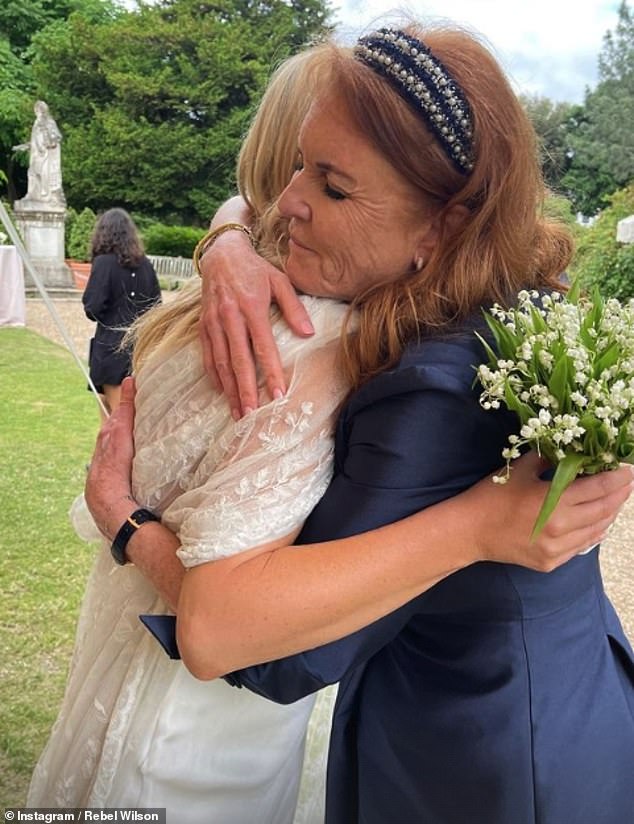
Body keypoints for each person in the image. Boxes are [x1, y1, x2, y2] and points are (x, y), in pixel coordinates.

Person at [85, 21, 634, 824]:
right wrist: (229, 238)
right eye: (301, 161)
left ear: (441, 226)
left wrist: (124, 518)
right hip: (570, 693)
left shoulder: (436, 385)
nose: (291, 201)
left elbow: (247, 644)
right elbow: (257, 195)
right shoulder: (508, 292)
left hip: (483, 763)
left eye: (333, 187)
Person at [28, 45, 354, 824]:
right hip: (199, 726)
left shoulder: (222, 307)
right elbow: (217, 612)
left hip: (165, 682)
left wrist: (230, 234)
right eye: (311, 169)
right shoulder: (304, 334)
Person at [82, 208, 161, 415]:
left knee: (116, 420)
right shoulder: (146, 265)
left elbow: (92, 307)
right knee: (119, 417)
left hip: (111, 348)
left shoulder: (104, 263)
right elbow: (156, 307)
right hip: (140, 348)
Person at [13, 101, 65, 205]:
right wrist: (24, 146)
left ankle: (45, 195)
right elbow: (35, 140)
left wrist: (50, 140)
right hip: (36, 155)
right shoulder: (37, 123)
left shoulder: (48, 122)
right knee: (32, 173)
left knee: (44, 173)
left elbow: (57, 137)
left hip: (45, 155)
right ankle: (32, 194)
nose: (36, 112)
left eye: (37, 110)